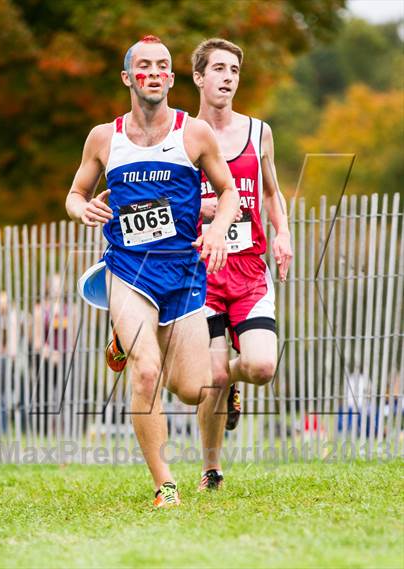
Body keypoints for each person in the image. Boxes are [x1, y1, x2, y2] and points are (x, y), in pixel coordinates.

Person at [65, 35, 239, 507]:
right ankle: (165, 483)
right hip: (127, 270)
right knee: (145, 374)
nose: (155, 72)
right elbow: (75, 192)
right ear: (128, 77)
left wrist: (219, 230)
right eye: (144, 65)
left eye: (163, 65)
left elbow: (229, 194)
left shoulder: (193, 134)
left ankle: (127, 339)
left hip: (182, 272)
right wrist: (81, 208)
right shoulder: (105, 137)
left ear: (172, 77)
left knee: (190, 387)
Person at [191, 38, 292, 490]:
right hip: (203, 274)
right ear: (198, 77)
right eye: (217, 69)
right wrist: (202, 211)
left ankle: (231, 382)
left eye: (234, 70)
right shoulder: (182, 137)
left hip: (250, 271)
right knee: (208, 375)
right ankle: (211, 469)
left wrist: (283, 232)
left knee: (261, 368)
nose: (227, 77)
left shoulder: (258, 132)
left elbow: (270, 191)